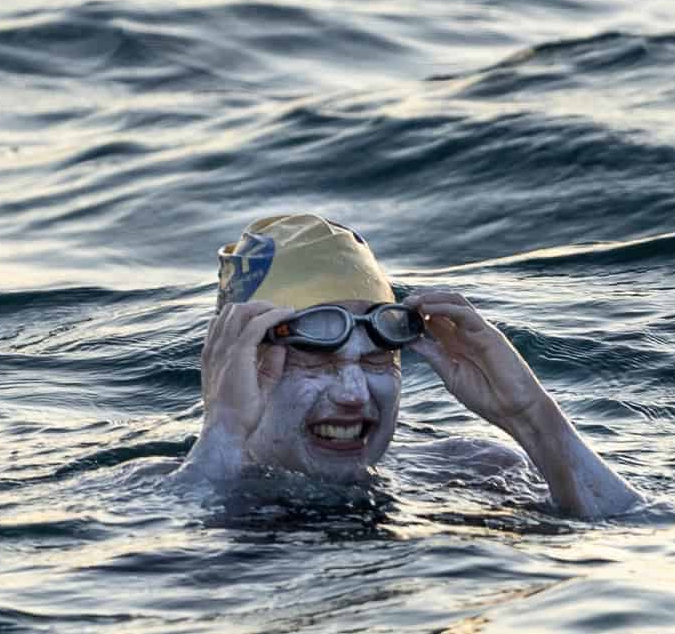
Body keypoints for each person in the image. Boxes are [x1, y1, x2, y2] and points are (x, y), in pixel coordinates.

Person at [173, 211, 640, 519]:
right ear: (235, 367)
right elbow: (179, 581)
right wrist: (224, 431)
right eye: (317, 361)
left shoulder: (468, 470)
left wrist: (533, 419)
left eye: (378, 359)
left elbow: (634, 536)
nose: (355, 394)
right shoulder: (155, 493)